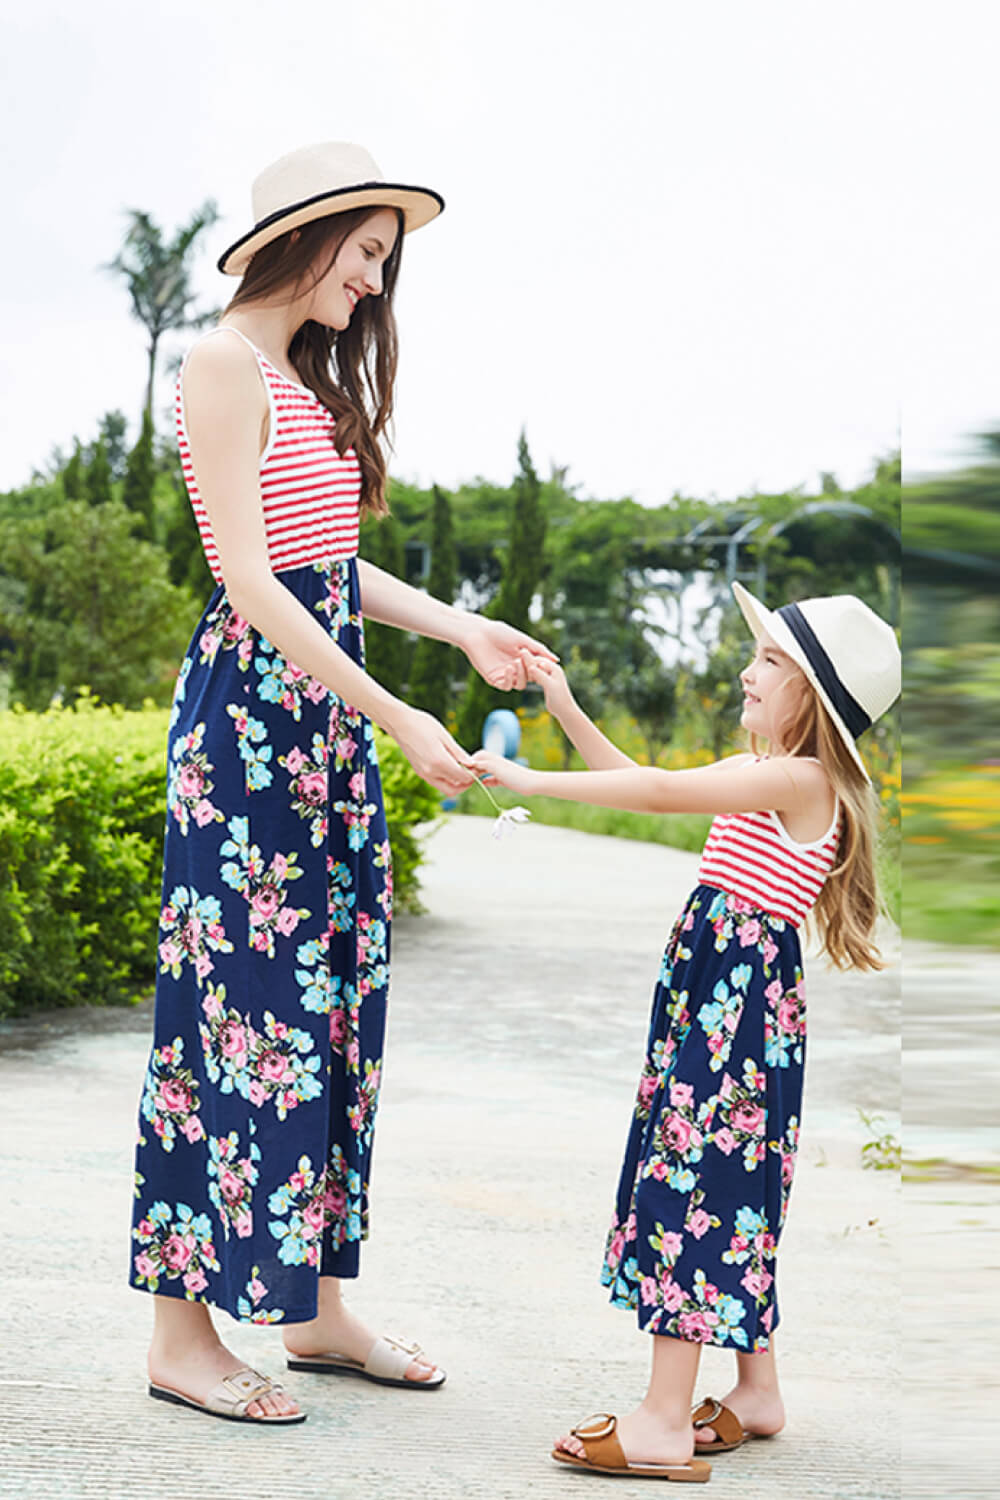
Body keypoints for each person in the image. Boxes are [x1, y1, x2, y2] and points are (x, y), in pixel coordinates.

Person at [129, 142, 554, 1425]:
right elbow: (251, 582)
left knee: (324, 1016)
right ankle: (180, 1335)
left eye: (382, 260)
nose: (374, 284)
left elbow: (330, 570)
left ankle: (308, 1309)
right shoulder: (218, 361)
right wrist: (396, 711)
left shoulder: (300, 384)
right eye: (366, 252)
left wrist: (459, 630)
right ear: (302, 239)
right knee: (229, 1023)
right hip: (254, 729)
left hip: (314, 727)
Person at [472, 583, 900, 1482]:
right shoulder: (782, 775)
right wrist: (569, 712)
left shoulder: (798, 776)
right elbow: (642, 780)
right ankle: (757, 1391)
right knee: (730, 1186)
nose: (748, 672)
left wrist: (527, 777)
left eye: (771, 661)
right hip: (725, 1001)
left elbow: (660, 788)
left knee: (696, 1186)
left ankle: (664, 1419)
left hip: (732, 1011)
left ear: (812, 696)